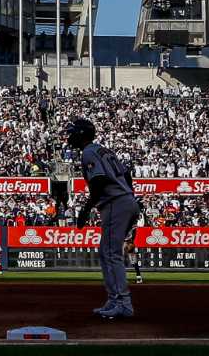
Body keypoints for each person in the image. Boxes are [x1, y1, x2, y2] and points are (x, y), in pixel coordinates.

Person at [67, 116, 137, 321]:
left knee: (110, 252)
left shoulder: (88, 152)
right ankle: (115, 299)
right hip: (124, 200)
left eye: (72, 132)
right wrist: (130, 195)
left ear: (80, 134)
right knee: (107, 252)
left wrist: (85, 209)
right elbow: (127, 173)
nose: (69, 136)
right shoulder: (104, 150)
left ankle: (122, 303)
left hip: (115, 202)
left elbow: (99, 179)